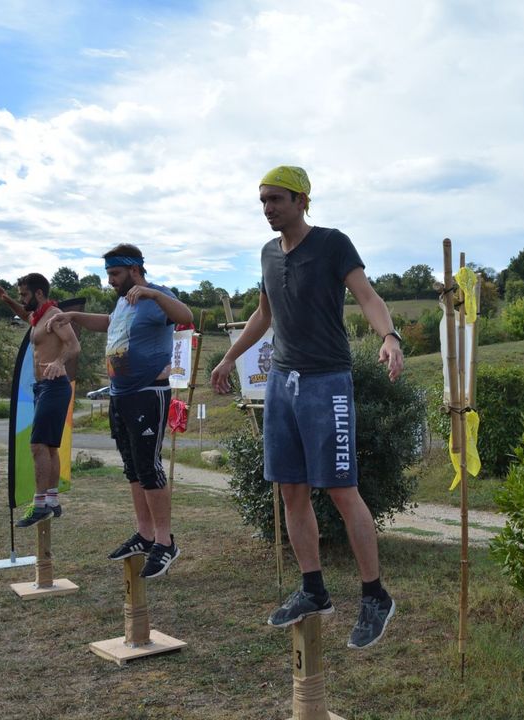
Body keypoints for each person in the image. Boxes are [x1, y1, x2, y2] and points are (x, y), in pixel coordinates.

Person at [211, 166, 404, 650]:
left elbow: (368, 296)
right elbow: (265, 314)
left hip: (327, 383)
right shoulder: (268, 255)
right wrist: (229, 357)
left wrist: (390, 337)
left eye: (275, 199)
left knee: (342, 491)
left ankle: (374, 596)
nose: (267, 208)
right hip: (282, 382)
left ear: (301, 199)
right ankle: (313, 590)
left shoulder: (333, 243)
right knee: (290, 490)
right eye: (262, 201)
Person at [49, 245, 193, 579]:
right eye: (109, 275)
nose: (110, 281)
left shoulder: (156, 296)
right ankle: (144, 535)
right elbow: (108, 322)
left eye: (115, 274)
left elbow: (185, 317)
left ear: (134, 269)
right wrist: (74, 317)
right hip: (121, 394)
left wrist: (154, 296)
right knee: (132, 468)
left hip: (148, 393)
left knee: (149, 466)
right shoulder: (122, 302)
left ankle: (165, 542)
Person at [0, 275, 81, 527]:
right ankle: (51, 500)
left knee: (37, 445)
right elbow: (23, 314)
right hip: (43, 388)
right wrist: (7, 299)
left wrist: (58, 362)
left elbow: (74, 346)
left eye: (24, 295)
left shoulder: (54, 316)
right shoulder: (38, 316)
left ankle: (40, 504)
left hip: (55, 386)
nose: (22, 299)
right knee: (49, 447)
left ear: (39, 294)